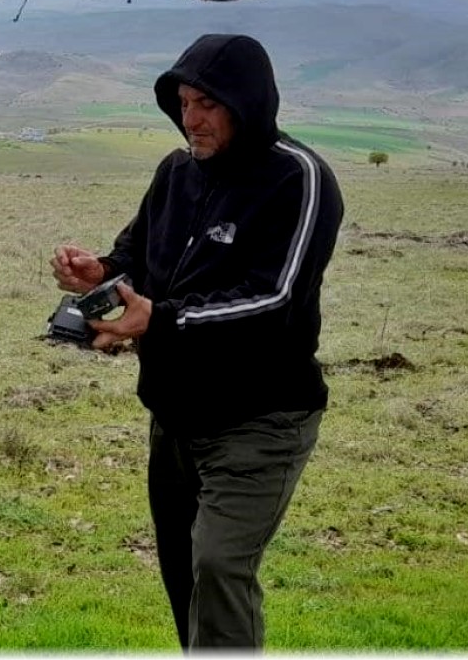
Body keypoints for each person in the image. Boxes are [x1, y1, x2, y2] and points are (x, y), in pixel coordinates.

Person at [51, 34, 343, 650]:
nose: (191, 119)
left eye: (207, 104)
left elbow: (274, 300)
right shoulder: (176, 170)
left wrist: (159, 320)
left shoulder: (298, 178)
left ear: (247, 102)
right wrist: (100, 275)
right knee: (183, 575)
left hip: (260, 419)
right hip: (174, 418)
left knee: (218, 567)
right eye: (183, 103)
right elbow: (138, 256)